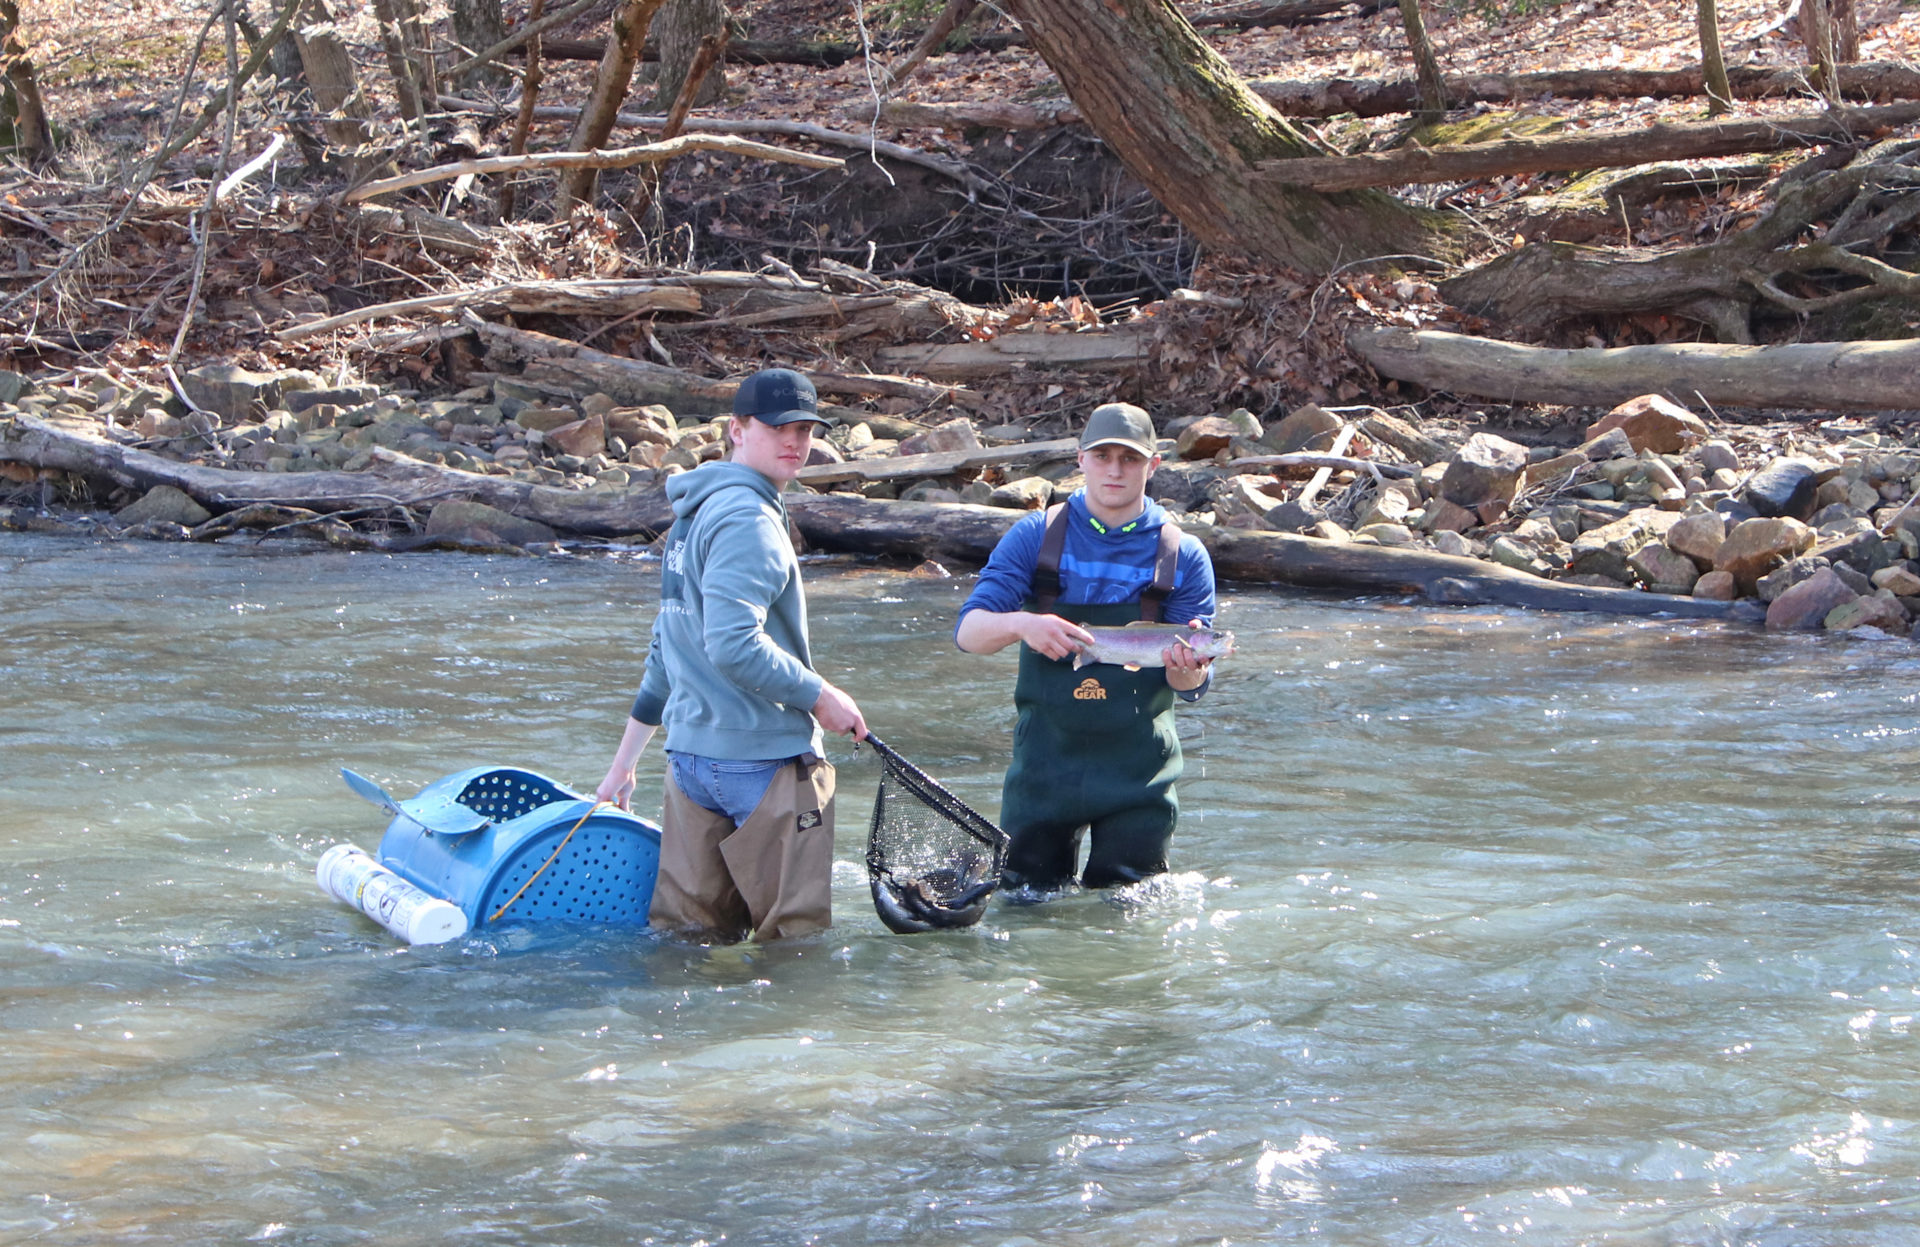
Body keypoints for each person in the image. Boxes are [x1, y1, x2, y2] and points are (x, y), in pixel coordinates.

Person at [596, 367, 866, 943]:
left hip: (688, 766)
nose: (794, 441)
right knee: (793, 950)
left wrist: (624, 763)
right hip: (764, 762)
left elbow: (668, 645)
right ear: (736, 430)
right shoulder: (749, 519)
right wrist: (820, 695)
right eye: (776, 428)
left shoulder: (690, 515)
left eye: (804, 429)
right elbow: (733, 644)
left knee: (684, 947)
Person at [955, 402, 1221, 894]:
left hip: (1140, 777)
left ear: (1153, 465)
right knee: (1024, 905)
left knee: (1129, 914)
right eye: (1103, 456)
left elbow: (1191, 687)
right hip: (1043, 770)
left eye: (1130, 458)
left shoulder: (1182, 554)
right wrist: (1023, 624)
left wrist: (1189, 668)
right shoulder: (1035, 536)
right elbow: (969, 634)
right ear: (1080, 460)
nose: (1115, 470)